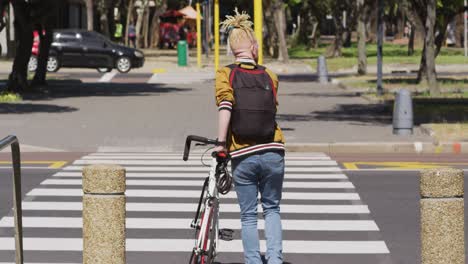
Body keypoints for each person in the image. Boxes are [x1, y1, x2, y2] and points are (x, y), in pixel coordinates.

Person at [214, 9, 285, 264]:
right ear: (253, 47)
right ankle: (275, 260)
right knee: (272, 209)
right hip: (274, 150)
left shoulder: (226, 73)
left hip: (244, 153)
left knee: (248, 216)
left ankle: (254, 261)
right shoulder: (270, 75)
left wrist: (221, 145)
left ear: (232, 49)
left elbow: (226, 107)